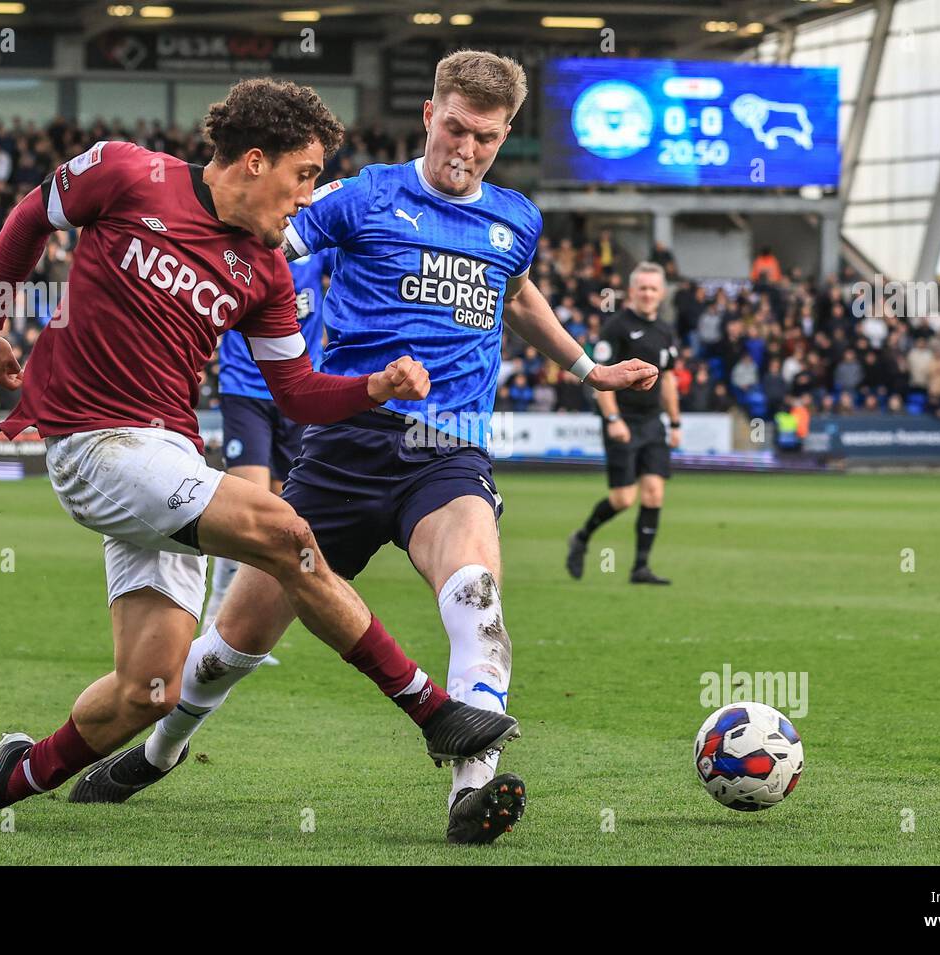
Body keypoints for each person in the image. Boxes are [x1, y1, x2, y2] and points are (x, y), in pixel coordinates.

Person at [73, 51, 658, 844]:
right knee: (229, 646)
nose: (466, 148)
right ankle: (159, 750)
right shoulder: (365, 195)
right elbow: (268, 241)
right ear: (428, 114)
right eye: (455, 127)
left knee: (477, 599)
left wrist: (589, 368)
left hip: (446, 450)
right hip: (342, 447)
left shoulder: (516, 218)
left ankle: (471, 789)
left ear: (505, 134)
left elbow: (517, 293)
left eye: (486, 137)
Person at [0, 78, 517, 829]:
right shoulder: (126, 172)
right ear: (255, 162)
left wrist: (373, 386)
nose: (308, 197)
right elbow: (28, 217)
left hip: (168, 451)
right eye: (304, 176)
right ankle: (433, 710)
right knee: (287, 533)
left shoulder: (266, 274)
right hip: (94, 443)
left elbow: (297, 391)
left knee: (148, 691)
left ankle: (6, 780)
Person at [203, 247, 336, 665]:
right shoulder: (241, 249)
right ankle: (215, 623)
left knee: (282, 518)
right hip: (245, 389)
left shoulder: (317, 251)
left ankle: (246, 632)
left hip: (297, 391)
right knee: (248, 510)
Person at [566, 262, 679, 585]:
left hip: (652, 420)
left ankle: (640, 567)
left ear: (661, 294)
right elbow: (599, 377)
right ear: (632, 291)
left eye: (653, 288)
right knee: (623, 499)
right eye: (642, 288)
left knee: (654, 493)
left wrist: (675, 421)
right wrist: (613, 418)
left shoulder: (665, 331)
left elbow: (668, 380)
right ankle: (582, 537)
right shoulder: (616, 326)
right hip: (623, 419)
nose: (647, 294)